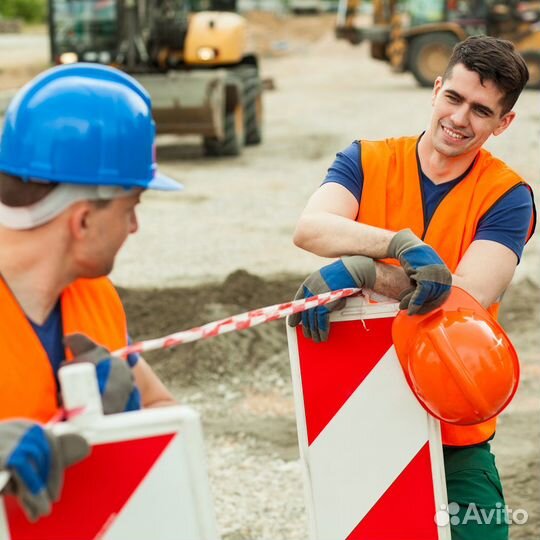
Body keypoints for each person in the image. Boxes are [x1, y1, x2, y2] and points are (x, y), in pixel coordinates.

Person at [289, 36, 535, 540]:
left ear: (502, 123)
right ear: (437, 88)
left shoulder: (508, 197)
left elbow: (467, 296)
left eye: (481, 110)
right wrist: (395, 243)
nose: (460, 118)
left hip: (455, 423)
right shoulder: (365, 159)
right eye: (454, 98)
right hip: (361, 410)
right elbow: (311, 228)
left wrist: (366, 271)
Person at [0, 63, 181, 520]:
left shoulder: (94, 297)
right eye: (131, 207)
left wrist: (131, 422)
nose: (134, 227)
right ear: (82, 220)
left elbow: (164, 408)